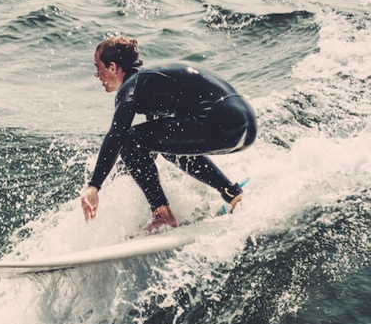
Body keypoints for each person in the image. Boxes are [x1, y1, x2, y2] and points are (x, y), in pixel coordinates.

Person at [80, 36, 257, 232]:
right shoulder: (152, 82)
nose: (97, 75)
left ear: (112, 67)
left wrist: (94, 185)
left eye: (98, 67)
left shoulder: (132, 87)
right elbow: (150, 148)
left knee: (129, 140)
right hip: (245, 125)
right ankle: (233, 195)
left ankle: (162, 215)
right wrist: (118, 173)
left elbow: (117, 135)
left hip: (220, 121)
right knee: (168, 147)